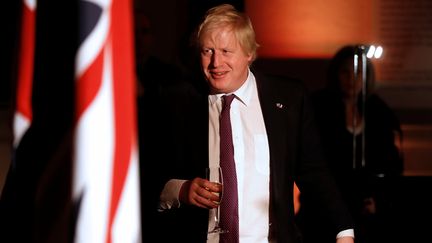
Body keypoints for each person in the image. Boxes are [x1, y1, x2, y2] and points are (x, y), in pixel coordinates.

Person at [140, 4, 355, 243]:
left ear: (249, 53)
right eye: (207, 51)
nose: (216, 63)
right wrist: (180, 190)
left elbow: (314, 173)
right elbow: (144, 176)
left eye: (226, 51)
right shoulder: (176, 100)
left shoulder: (288, 98)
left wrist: (343, 230)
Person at [296, 45, 404, 243]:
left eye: (358, 72)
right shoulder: (319, 106)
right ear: (336, 74)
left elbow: (392, 163)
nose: (352, 78)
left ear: (367, 75)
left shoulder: (379, 111)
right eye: (345, 72)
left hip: (366, 210)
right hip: (323, 209)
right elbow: (310, 160)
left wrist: (379, 199)